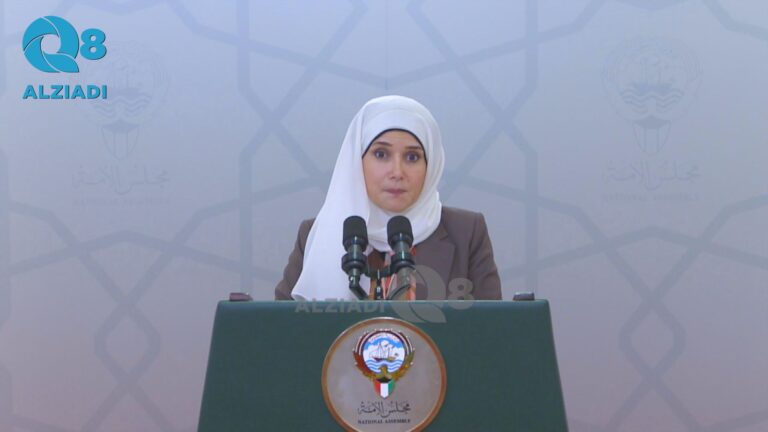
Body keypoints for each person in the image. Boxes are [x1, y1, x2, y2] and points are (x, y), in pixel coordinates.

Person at [274, 95, 501, 301]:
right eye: (381, 154)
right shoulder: (318, 234)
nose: (397, 172)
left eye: (412, 157)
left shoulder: (466, 233)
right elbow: (280, 327)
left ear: (431, 166)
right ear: (357, 161)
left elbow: (493, 327)